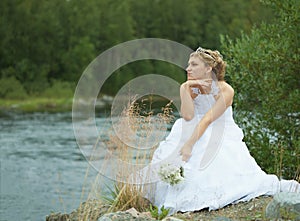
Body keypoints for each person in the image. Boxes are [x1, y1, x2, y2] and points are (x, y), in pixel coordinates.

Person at [146, 47, 299, 214]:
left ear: (208, 68)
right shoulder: (191, 88)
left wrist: (189, 144)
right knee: (179, 136)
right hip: (193, 127)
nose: (188, 68)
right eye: (188, 64)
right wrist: (184, 89)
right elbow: (188, 116)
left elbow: (208, 119)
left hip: (218, 131)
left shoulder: (225, 89)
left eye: (194, 64)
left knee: (206, 142)